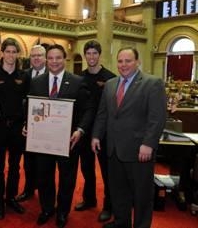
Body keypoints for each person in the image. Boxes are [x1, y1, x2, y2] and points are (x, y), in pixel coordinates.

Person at [91, 47, 166, 228]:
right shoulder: (110, 84)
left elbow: (157, 118)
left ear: (137, 61)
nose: (123, 65)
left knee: (141, 194)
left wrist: (148, 143)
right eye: (120, 61)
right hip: (114, 149)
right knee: (118, 191)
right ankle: (121, 222)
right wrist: (96, 135)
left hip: (139, 150)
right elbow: (103, 114)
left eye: (128, 61)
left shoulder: (152, 83)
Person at [27, 44, 94, 228]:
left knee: (67, 178)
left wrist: (80, 130)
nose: (54, 62)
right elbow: (32, 108)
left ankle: (63, 212)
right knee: (43, 177)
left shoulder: (77, 81)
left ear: (65, 59)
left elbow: (88, 110)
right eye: (51, 58)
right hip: (43, 141)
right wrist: (28, 125)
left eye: (58, 58)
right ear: (46, 60)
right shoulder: (37, 82)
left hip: (68, 141)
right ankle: (47, 208)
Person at [0, 37, 30, 220]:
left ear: (17, 54)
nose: (11, 55)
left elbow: (29, 103)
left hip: (18, 128)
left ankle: (11, 197)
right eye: (8, 51)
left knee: (14, 166)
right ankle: (0, 201)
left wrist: (28, 123)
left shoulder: (24, 76)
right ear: (1, 53)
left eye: (14, 52)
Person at [74, 40, 116, 222]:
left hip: (104, 133)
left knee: (107, 172)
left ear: (99, 55)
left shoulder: (111, 78)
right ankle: (89, 199)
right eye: (88, 54)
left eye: (94, 53)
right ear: (85, 56)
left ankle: (109, 206)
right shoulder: (78, 78)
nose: (91, 57)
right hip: (84, 130)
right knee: (86, 168)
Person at [16, 44, 47, 202]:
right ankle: (28, 189)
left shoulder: (52, 75)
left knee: (44, 164)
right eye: (33, 55)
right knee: (28, 161)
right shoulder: (23, 75)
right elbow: (20, 101)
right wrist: (24, 123)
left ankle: (43, 192)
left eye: (39, 55)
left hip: (47, 127)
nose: (36, 58)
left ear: (45, 58)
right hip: (26, 127)